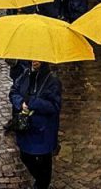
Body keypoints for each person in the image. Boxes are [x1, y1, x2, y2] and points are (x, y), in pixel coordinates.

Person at [10, 60, 62, 189]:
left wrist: (33, 102)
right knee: (25, 156)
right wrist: (21, 103)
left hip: (43, 130)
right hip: (26, 127)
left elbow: (54, 106)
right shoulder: (25, 74)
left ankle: (42, 184)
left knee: (44, 161)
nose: (35, 60)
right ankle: (41, 182)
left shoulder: (52, 80)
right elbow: (13, 92)